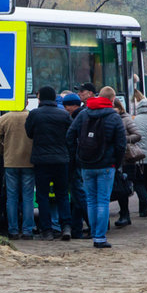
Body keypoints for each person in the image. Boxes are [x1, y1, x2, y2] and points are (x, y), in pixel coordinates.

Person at [67, 85, 126, 248]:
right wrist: (117, 162)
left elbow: (70, 135)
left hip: (86, 164)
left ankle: (94, 234)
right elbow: (121, 144)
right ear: (113, 100)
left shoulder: (84, 114)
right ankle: (99, 237)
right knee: (103, 201)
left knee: (91, 201)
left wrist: (77, 156)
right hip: (107, 165)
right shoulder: (114, 117)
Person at [25, 86, 73, 240]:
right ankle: (65, 226)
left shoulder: (35, 114)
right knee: (62, 194)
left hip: (41, 160)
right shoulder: (64, 114)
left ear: (40, 99)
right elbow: (71, 135)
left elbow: (29, 133)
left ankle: (47, 230)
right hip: (61, 160)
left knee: (42, 196)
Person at [0, 104, 35, 240]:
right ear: (26, 103)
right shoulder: (31, 117)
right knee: (28, 197)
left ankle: (13, 231)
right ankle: (27, 231)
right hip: (29, 162)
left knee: (12, 197)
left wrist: (5, 152)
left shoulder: (5, 118)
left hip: (10, 163)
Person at [62, 92, 91, 238]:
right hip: (84, 160)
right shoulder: (84, 114)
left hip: (76, 162)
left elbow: (71, 140)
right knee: (78, 197)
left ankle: (92, 226)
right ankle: (77, 229)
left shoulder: (78, 117)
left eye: (67, 106)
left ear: (73, 105)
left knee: (79, 196)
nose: (65, 109)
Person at [111, 97, 142, 228]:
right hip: (114, 157)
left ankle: (125, 214)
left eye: (114, 107)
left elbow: (137, 135)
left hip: (125, 158)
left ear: (119, 108)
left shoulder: (126, 119)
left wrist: (123, 139)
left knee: (122, 187)